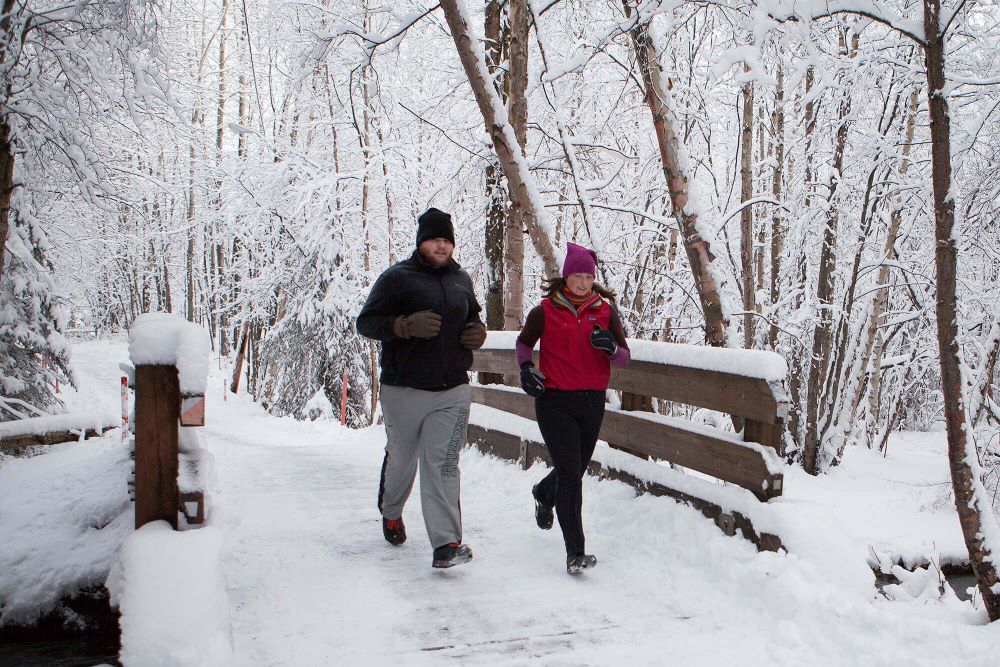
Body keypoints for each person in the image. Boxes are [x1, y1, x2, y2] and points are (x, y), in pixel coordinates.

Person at [356, 207, 487, 569]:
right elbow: (366, 322)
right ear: (421, 243)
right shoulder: (397, 278)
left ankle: (446, 544)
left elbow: (473, 317)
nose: (441, 246)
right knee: (402, 458)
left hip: (452, 389)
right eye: (434, 240)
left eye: (447, 240)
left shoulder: (461, 279)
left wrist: (477, 332)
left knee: (444, 463)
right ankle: (391, 511)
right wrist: (402, 326)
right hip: (405, 388)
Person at [515, 242, 630, 575]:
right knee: (570, 476)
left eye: (588, 277)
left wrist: (611, 348)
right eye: (577, 276)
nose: (582, 283)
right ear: (566, 276)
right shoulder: (545, 311)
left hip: (592, 401)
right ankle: (575, 552)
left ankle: (543, 492)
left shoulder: (605, 312)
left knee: (575, 470)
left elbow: (624, 357)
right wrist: (526, 368)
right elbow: (524, 343)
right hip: (554, 401)